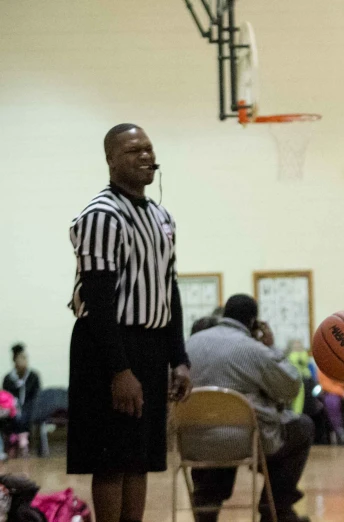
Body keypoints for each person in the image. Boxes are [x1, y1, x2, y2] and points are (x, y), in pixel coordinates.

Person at [67, 123, 192, 522]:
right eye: (132, 150)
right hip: (108, 345)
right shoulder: (101, 214)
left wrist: (180, 358)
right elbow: (100, 298)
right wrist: (120, 369)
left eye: (148, 148)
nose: (144, 155)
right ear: (110, 160)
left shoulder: (161, 215)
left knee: (139, 459)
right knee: (112, 458)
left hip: (151, 345)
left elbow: (168, 290)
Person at [187, 294, 312, 522]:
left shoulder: (190, 343)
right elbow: (291, 385)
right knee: (301, 427)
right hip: (243, 441)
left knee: (212, 430)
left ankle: (206, 506)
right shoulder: (252, 349)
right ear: (254, 321)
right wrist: (271, 345)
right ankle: (275, 509)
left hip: (191, 443)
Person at [2, 344, 41, 457]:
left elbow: (37, 396)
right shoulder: (8, 379)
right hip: (13, 410)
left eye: (26, 357)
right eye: (22, 358)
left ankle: (22, 440)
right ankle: (14, 440)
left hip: (30, 408)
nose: (25, 360)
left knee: (25, 414)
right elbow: (6, 398)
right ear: (15, 360)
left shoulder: (33, 376)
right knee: (9, 414)